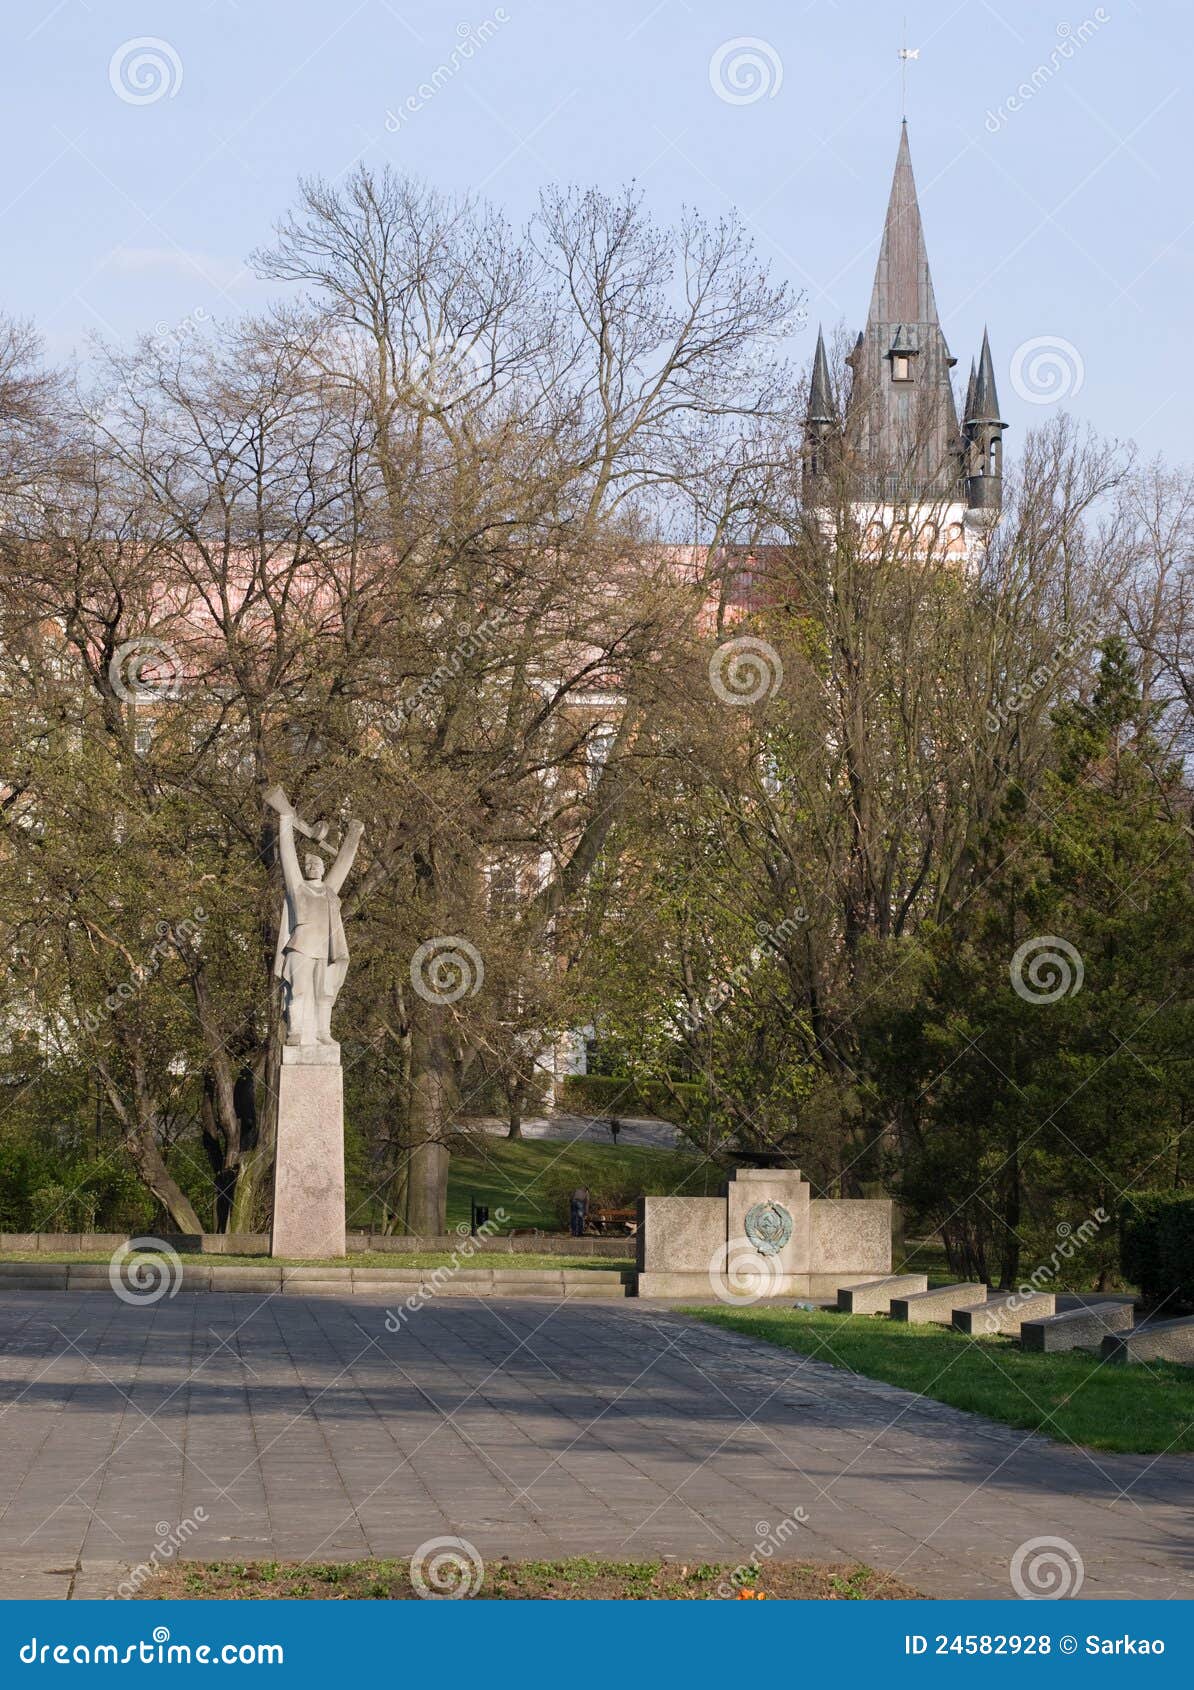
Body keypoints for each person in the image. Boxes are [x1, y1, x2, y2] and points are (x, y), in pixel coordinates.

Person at [273, 804, 364, 1047]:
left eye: (317, 866)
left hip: (324, 950)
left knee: (325, 994)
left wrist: (355, 834)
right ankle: (296, 1031)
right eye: (309, 866)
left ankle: (323, 1032)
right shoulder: (298, 889)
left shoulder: (329, 892)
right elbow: (288, 858)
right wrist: (285, 819)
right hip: (300, 948)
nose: (313, 868)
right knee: (298, 990)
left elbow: (344, 864)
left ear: (324, 870)